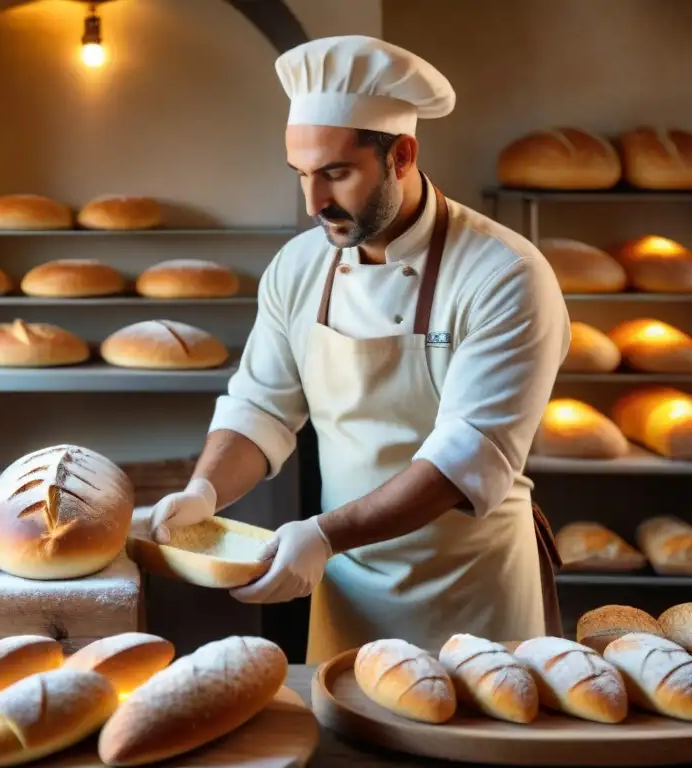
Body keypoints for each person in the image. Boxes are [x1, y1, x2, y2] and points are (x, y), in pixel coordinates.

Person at [148, 35, 571, 663]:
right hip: (345, 584)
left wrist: (322, 534)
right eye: (302, 175)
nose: (315, 203)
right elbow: (259, 409)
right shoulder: (298, 267)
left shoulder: (504, 275)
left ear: (402, 155)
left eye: (337, 174)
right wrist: (204, 492)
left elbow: (463, 462)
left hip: (472, 593)